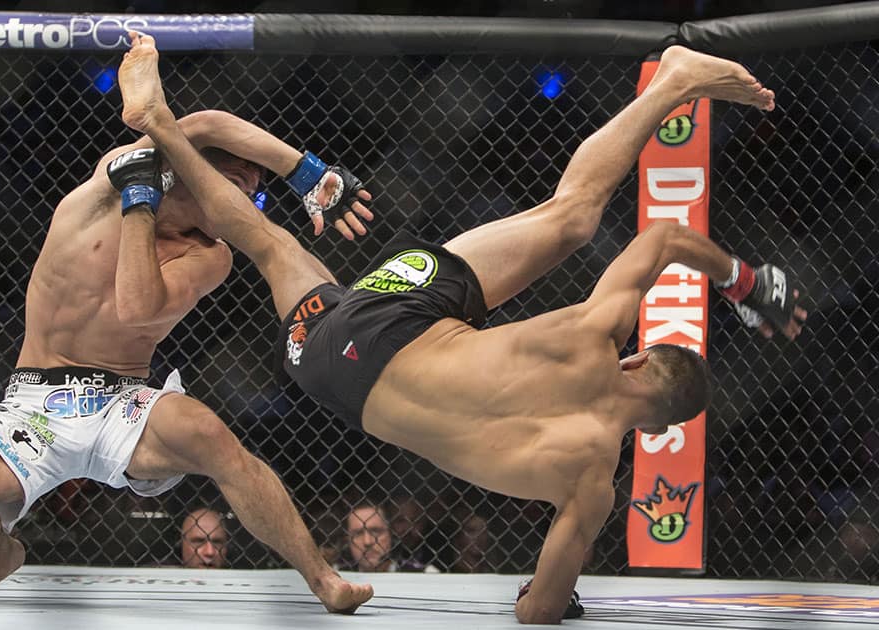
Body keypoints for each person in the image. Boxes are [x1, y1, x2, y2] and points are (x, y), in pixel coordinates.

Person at [118, 33, 807, 624]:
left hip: (407, 312)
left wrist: (748, 284)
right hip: (335, 368)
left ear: (635, 363)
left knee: (571, 217)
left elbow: (660, 237)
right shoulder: (591, 483)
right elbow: (538, 612)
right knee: (269, 245)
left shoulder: (596, 337)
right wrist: (547, 591)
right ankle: (170, 134)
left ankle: (673, 81)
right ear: (655, 431)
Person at [0, 94, 374, 612]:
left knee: (210, 435)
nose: (246, 210)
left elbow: (137, 310)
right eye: (240, 190)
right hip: (35, 399)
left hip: (122, 399)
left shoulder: (209, 255)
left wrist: (143, 202)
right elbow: (204, 123)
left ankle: (321, 579)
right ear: (194, 174)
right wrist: (302, 170)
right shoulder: (105, 188)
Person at [341, 503, 438, 573]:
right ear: (347, 539)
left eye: (376, 532)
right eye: (358, 534)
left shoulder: (425, 574)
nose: (367, 542)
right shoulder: (338, 575)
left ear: (391, 534)